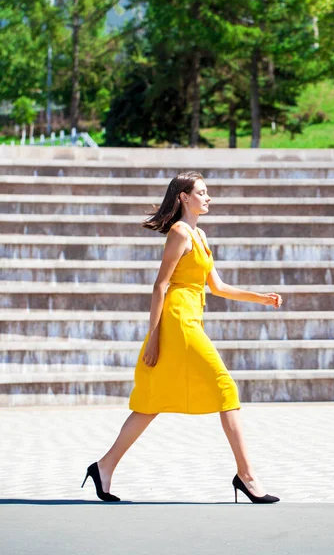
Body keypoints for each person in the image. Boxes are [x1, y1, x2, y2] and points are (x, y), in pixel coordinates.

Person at [82, 171, 283, 504]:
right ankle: (246, 475)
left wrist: (260, 297)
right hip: (177, 321)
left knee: (153, 400)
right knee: (225, 387)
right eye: (201, 192)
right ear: (184, 198)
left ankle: (103, 466)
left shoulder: (199, 234)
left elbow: (217, 287)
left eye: (207, 192)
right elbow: (160, 286)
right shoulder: (179, 233)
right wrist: (154, 338)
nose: (208, 197)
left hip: (191, 319)